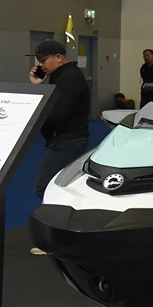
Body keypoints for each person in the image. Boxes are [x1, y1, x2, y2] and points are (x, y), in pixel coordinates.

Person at [28, 40, 91, 199]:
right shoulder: (61, 76)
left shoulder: (69, 78)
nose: (40, 65)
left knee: (44, 187)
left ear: (58, 57)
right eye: (39, 61)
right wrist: (38, 87)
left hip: (67, 141)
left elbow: (56, 114)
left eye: (43, 60)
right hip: (64, 140)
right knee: (61, 186)